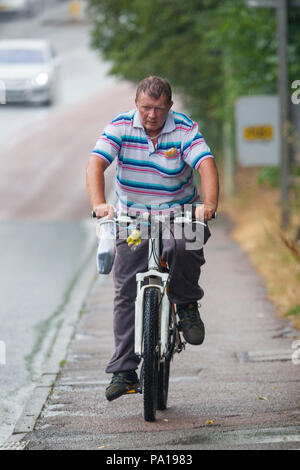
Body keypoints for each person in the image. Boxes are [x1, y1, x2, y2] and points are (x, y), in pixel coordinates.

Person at [86, 76, 219, 402]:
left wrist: (210, 205)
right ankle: (124, 370)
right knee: (125, 284)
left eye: (159, 108)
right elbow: (96, 164)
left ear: (170, 107)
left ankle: (185, 304)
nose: (152, 114)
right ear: (137, 104)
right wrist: (99, 205)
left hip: (179, 213)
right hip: (133, 219)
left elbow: (206, 165)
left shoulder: (185, 129)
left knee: (182, 243)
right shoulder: (120, 126)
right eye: (146, 107)